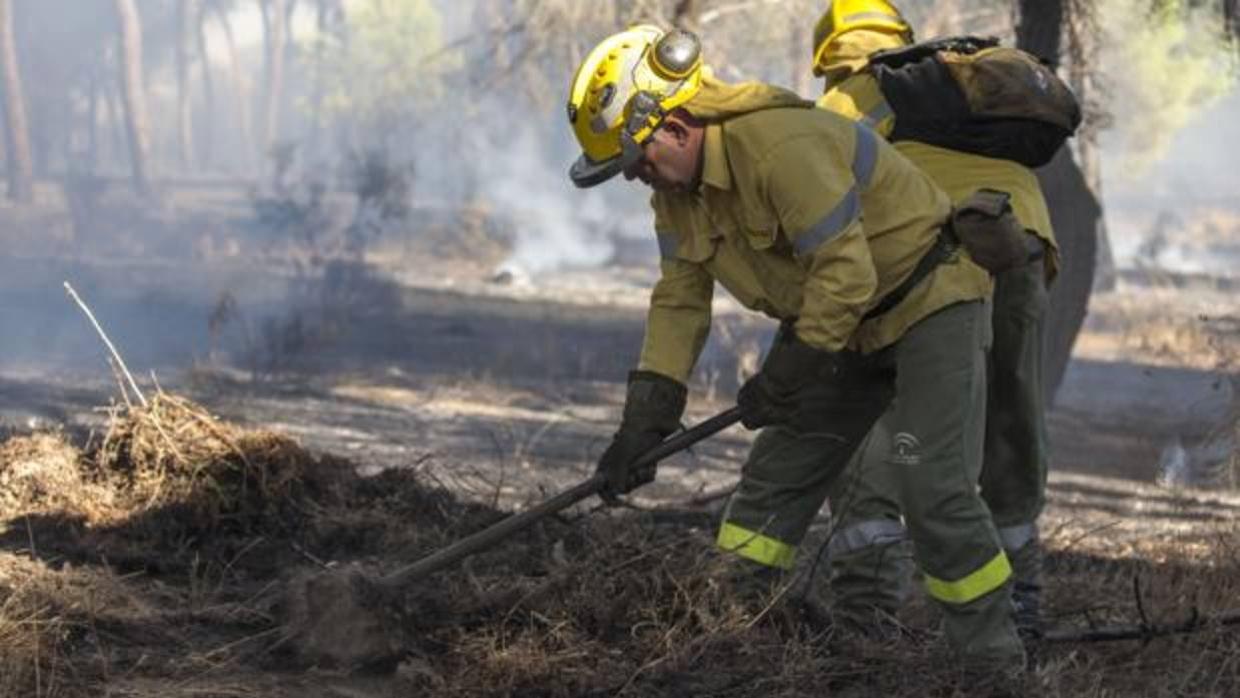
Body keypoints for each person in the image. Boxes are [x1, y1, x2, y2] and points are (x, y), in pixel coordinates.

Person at [566, 24, 1025, 673]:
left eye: (637, 161)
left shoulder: (780, 145)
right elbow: (679, 299)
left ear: (672, 125)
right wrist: (647, 415)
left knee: (931, 485)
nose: (637, 178)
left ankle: (994, 664)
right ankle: (731, 637)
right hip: (843, 327)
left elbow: (847, 272)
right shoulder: (678, 200)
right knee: (770, 485)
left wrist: (790, 369)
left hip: (929, 300)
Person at [809, 0, 1059, 639]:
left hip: (933, 260)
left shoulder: (849, 96)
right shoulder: (950, 83)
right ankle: (1020, 603)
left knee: (870, 421)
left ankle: (867, 610)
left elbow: (811, 195)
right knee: (1011, 416)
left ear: (827, 56)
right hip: (1018, 242)